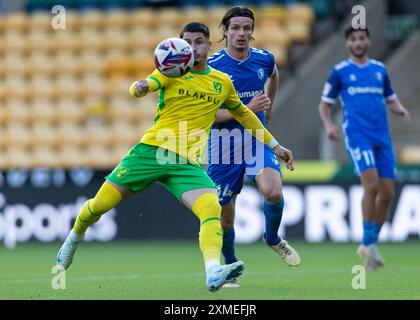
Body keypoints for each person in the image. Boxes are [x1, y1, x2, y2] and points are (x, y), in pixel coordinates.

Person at [56, 22, 295, 292]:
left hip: (186, 164)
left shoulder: (221, 82)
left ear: (208, 45)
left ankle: (213, 270)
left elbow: (246, 116)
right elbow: (143, 85)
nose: (194, 48)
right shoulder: (171, 72)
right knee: (99, 206)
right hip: (151, 153)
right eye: (188, 43)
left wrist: (275, 146)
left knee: (211, 209)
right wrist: (141, 86)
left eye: (199, 42)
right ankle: (74, 237)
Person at [206, 6, 301, 287]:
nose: (242, 33)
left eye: (247, 28)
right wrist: (247, 108)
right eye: (236, 28)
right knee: (224, 219)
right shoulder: (213, 67)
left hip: (256, 140)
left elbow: (274, 74)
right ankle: (230, 264)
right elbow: (209, 116)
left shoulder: (263, 59)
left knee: (272, 191)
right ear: (225, 31)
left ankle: (272, 238)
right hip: (223, 145)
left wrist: (266, 111)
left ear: (253, 31)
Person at [319, 26, 411, 270]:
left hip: (382, 137)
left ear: (368, 40)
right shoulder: (339, 72)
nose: (358, 42)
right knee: (371, 186)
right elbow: (325, 105)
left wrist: (400, 108)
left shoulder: (380, 69)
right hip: (358, 135)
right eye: (353, 39)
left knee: (388, 193)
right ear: (348, 43)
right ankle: (369, 245)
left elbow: (389, 96)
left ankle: (369, 243)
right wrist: (329, 125)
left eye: (362, 38)